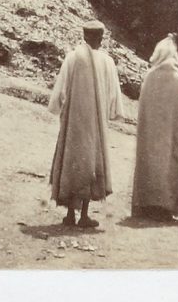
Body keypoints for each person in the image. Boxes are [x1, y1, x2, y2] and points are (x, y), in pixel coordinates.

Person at [48, 19, 124, 228]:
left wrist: (59, 109)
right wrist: (112, 113)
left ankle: (70, 215)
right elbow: (113, 94)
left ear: (84, 37)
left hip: (73, 122)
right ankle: (84, 216)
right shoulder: (106, 61)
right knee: (91, 162)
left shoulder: (72, 58)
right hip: (95, 124)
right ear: (100, 38)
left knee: (72, 162)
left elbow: (60, 91)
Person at [131, 33, 178, 221]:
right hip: (174, 136)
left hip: (152, 137)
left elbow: (143, 111)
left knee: (152, 164)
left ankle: (147, 204)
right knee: (171, 165)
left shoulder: (150, 77)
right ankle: (167, 207)